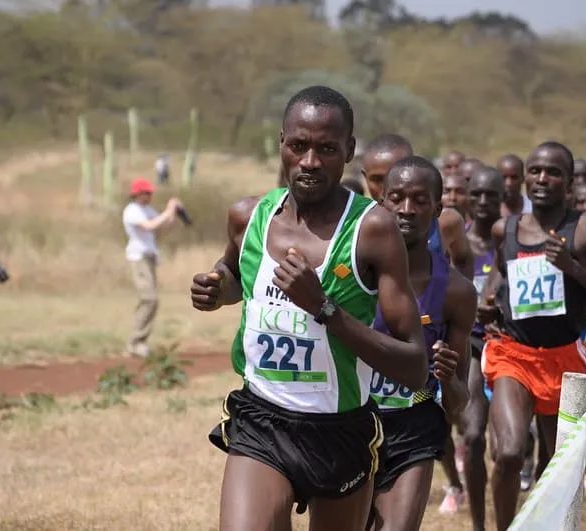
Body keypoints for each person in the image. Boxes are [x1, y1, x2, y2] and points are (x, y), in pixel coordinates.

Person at [190, 85, 430, 531]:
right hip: (262, 419)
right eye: (299, 146)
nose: (310, 161)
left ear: (349, 151)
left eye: (327, 148)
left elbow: (415, 366)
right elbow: (233, 271)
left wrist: (323, 307)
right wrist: (217, 288)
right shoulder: (249, 217)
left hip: (340, 429)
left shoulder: (372, 229)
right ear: (282, 142)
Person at [477, 141, 586, 531]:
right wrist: (488, 304)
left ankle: (540, 522)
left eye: (553, 172)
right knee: (509, 454)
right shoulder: (505, 228)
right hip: (515, 355)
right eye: (535, 170)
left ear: (569, 181)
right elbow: (498, 276)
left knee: (558, 469)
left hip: (566, 360)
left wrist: (574, 269)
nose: (542, 178)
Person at [369, 156, 475, 531]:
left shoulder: (457, 292)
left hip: (414, 424)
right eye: (396, 198)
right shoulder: (351, 276)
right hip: (350, 422)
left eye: (419, 200)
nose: (407, 209)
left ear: (438, 208)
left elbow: (458, 405)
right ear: (381, 202)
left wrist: (448, 378)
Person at [360, 134, 474, 280]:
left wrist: (461, 297)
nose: (387, 187)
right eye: (378, 179)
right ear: (365, 177)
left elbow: (464, 260)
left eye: (399, 176)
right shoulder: (355, 226)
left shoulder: (445, 222)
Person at [460, 166, 504, 530]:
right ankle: (478, 525)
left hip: (512, 345)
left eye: (492, 195)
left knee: (509, 450)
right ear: (466, 197)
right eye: (477, 195)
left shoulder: (517, 240)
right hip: (471, 343)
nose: (484, 202)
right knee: (473, 437)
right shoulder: (453, 242)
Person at [122, 178, 182, 358]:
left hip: (150, 258)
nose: (149, 196)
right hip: (138, 258)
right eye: (145, 193)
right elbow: (150, 226)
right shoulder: (132, 211)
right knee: (149, 299)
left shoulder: (147, 210)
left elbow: (163, 227)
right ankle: (135, 343)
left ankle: (138, 342)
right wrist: (168, 210)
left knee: (151, 301)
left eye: (150, 192)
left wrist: (174, 213)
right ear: (136, 194)